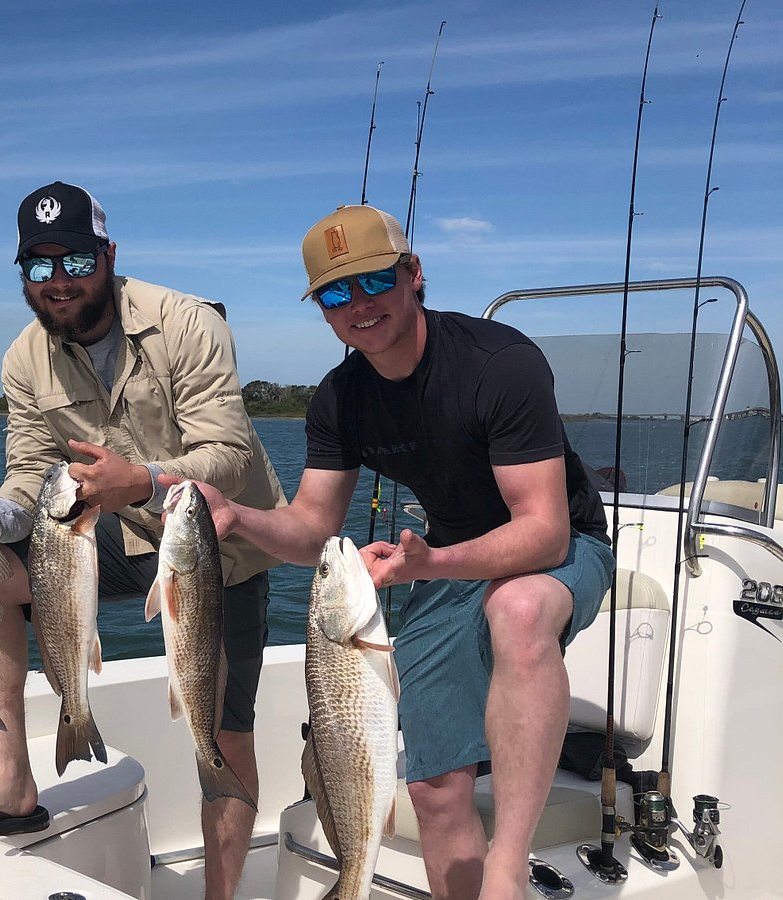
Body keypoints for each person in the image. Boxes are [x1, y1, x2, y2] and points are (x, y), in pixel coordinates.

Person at [177, 204, 615, 900]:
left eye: (374, 280)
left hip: (559, 552)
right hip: (443, 562)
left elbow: (545, 532)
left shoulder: (500, 364)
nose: (359, 305)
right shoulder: (338, 399)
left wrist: (428, 564)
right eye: (335, 292)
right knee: (435, 790)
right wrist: (237, 517)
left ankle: (506, 871)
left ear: (414, 276)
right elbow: (314, 528)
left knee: (520, 605)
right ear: (322, 310)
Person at [0, 181, 286, 900]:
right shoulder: (23, 358)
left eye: (72, 259)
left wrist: (140, 480)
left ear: (107, 254)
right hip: (93, 535)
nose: (58, 281)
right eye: (38, 268)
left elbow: (227, 454)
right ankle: (10, 782)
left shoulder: (189, 322)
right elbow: (28, 475)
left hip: (211, 544)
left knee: (221, 735)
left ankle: (222, 894)